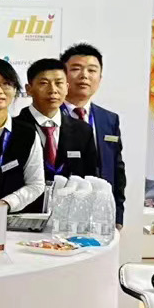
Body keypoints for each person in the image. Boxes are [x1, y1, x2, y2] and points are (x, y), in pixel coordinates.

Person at [15, 58, 99, 198]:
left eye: (59, 83)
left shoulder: (83, 130)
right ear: (29, 89)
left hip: (70, 208)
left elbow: (90, 178)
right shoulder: (13, 129)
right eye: (44, 83)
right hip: (24, 208)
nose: (53, 90)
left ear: (67, 87)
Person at [63, 42, 126, 225]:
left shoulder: (109, 119)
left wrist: (117, 216)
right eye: (76, 69)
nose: (84, 75)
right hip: (62, 211)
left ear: (100, 77)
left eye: (92, 70)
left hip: (100, 214)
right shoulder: (50, 117)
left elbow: (117, 170)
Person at [0, 59, 45, 215]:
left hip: (12, 219)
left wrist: (6, 203)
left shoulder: (27, 133)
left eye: (6, 84)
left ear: (15, 90)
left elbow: (36, 184)